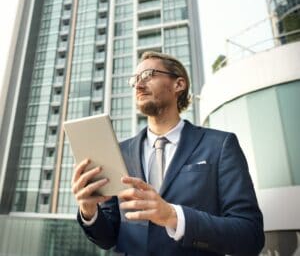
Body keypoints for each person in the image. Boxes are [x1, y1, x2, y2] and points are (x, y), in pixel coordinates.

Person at [72, 51, 264, 256]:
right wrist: (89, 211)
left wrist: (173, 216)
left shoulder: (220, 145)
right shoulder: (120, 152)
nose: (138, 85)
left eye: (148, 75)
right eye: (135, 80)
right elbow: (108, 238)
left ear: (178, 84)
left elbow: (249, 235)